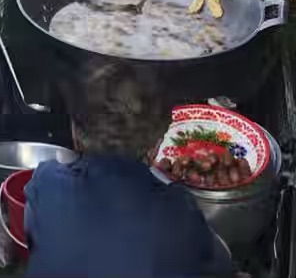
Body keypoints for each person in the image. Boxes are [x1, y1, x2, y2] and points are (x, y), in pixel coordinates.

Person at [25, 62, 231, 277]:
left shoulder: (46, 182)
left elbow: (34, 230)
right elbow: (222, 264)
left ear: (75, 133)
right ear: (156, 144)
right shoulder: (180, 209)